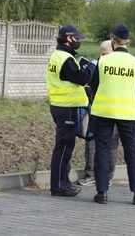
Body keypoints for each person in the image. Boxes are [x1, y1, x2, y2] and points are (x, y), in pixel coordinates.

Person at [90, 24, 135, 205]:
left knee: (101, 151)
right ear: (128, 42)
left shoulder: (103, 61)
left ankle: (102, 193)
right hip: (128, 115)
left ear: (112, 39)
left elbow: (94, 86)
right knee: (132, 153)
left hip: (103, 112)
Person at [46, 24, 94, 197]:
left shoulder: (57, 55)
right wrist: (90, 68)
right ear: (68, 38)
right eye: (76, 38)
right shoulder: (65, 58)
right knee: (64, 147)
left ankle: (62, 183)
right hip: (67, 109)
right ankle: (59, 187)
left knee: (64, 147)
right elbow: (81, 79)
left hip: (60, 106)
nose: (78, 41)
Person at [77, 40, 120, 187]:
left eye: (106, 54)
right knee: (91, 140)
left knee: (112, 144)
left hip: (114, 110)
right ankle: (90, 174)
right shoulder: (95, 64)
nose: (103, 56)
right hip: (95, 109)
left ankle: (108, 176)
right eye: (101, 53)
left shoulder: (118, 66)